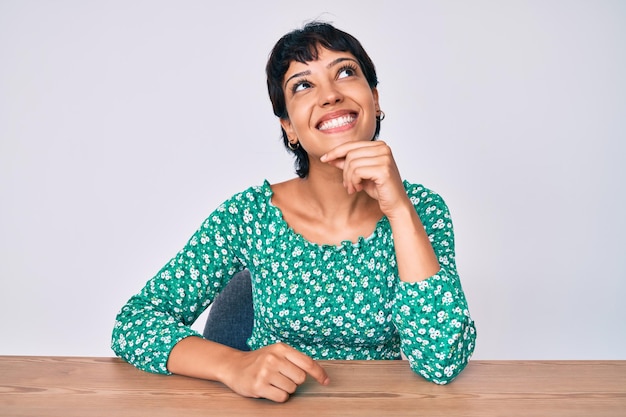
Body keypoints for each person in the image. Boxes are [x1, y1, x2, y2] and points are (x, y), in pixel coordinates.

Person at [111, 21, 476, 403]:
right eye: (303, 85)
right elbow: (135, 322)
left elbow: (442, 362)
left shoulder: (423, 210)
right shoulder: (248, 216)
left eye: (345, 72)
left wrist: (400, 210)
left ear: (375, 99)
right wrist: (232, 365)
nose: (330, 95)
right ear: (289, 127)